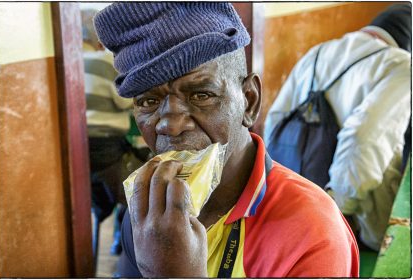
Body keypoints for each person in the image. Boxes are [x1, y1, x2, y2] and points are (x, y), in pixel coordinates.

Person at [93, 3, 359, 277]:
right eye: (149, 101)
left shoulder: (311, 231)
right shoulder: (147, 212)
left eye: (201, 95)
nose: (170, 125)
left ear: (249, 102)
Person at [264, 4, 411, 252]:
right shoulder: (401, 65)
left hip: (290, 207)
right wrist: (336, 208)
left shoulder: (318, 52)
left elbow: (274, 122)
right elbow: (364, 141)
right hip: (356, 222)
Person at [81, 9, 136, 258]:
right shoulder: (106, 61)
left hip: (82, 148)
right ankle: (123, 242)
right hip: (108, 145)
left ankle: (112, 233)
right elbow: (125, 102)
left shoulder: (72, 61)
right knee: (137, 187)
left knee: (107, 195)